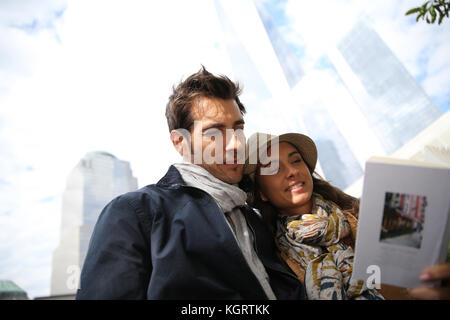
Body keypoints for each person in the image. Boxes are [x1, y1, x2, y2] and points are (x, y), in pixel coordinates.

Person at [75, 67, 305, 299]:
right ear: (180, 142)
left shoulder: (254, 217)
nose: (235, 145)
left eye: (238, 129)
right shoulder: (136, 212)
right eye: (215, 132)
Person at [243, 132, 450, 300]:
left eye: (296, 160)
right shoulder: (275, 264)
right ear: (262, 192)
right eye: (275, 168)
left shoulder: (371, 214)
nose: (291, 172)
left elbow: (426, 265)